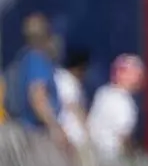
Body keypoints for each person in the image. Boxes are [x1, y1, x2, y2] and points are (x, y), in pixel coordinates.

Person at [4, 13, 67, 146]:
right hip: (35, 135)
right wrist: (54, 127)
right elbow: (37, 96)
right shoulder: (38, 60)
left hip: (19, 130)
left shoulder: (22, 59)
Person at [87, 55, 145, 161]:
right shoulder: (125, 103)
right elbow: (123, 137)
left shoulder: (103, 92)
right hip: (111, 158)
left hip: (91, 151)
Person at [55, 46, 91, 148]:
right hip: (70, 135)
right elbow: (73, 106)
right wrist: (86, 128)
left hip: (64, 133)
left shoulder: (60, 76)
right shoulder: (68, 81)